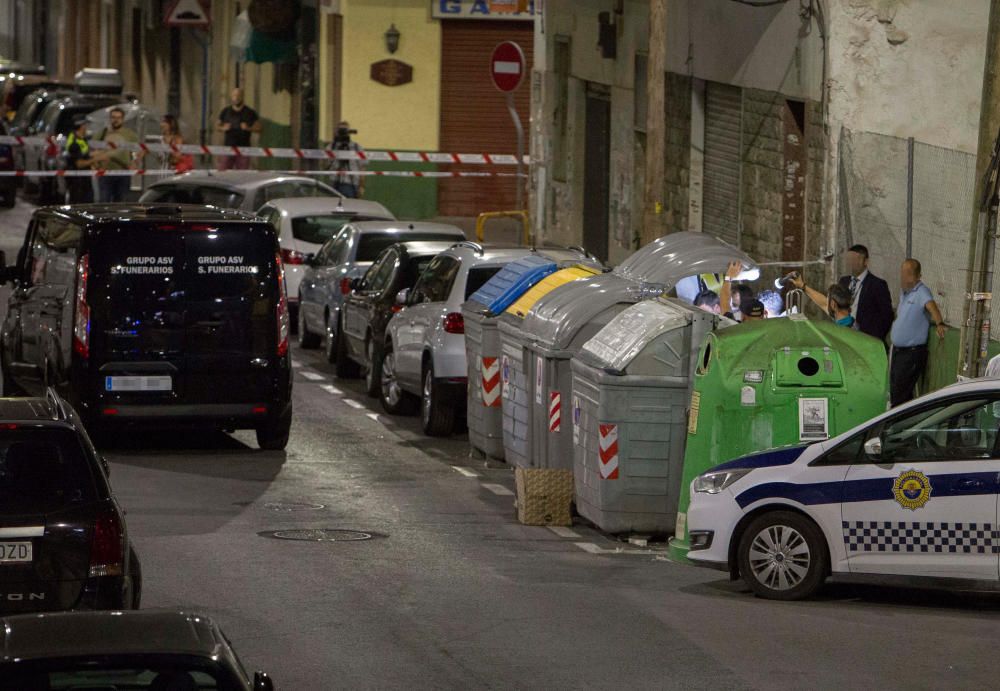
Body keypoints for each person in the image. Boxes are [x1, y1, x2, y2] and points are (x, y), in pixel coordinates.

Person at [889, 259, 946, 407]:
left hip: (911, 353)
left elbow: (932, 306)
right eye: (903, 272)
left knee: (900, 394)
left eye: (908, 273)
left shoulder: (921, 291)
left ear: (917, 276)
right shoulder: (904, 293)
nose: (904, 276)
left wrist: (939, 323)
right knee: (898, 392)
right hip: (898, 351)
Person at [839, 244, 893, 341]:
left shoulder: (877, 285)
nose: (854, 262)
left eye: (858, 258)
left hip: (865, 338)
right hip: (843, 336)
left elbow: (887, 315)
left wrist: (874, 337)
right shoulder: (843, 282)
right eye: (851, 259)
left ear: (866, 261)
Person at [92, 107, 137, 203]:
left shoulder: (130, 134)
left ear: (123, 119)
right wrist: (96, 165)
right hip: (105, 172)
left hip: (123, 172)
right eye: (113, 117)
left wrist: (135, 162)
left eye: (118, 117)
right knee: (104, 201)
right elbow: (93, 150)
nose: (116, 120)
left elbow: (137, 150)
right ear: (109, 118)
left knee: (121, 202)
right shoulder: (102, 133)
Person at [216, 87, 261, 170]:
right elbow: (217, 126)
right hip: (228, 148)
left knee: (242, 174)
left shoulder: (250, 112)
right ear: (231, 97)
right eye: (234, 95)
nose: (236, 98)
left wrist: (248, 128)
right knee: (223, 172)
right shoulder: (225, 111)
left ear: (242, 96)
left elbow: (259, 128)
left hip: (244, 149)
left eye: (238, 95)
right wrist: (223, 128)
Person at [791, 275, 856, 327]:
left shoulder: (839, 330)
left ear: (833, 304)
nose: (826, 303)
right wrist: (802, 286)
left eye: (827, 300)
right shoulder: (852, 322)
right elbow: (823, 303)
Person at [329, 120, 365, 198]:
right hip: (334, 182)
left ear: (349, 132)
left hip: (350, 183)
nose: (343, 133)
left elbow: (362, 167)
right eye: (340, 130)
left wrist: (361, 186)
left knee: (350, 207)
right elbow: (325, 164)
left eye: (344, 130)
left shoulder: (356, 147)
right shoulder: (331, 147)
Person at [63, 116, 94, 203]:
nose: (87, 127)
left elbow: (85, 153)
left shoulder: (81, 138)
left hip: (84, 179)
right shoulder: (74, 142)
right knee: (78, 204)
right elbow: (79, 164)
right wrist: (95, 160)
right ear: (82, 126)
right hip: (77, 180)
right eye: (86, 125)